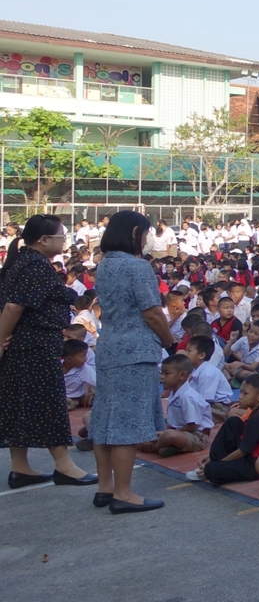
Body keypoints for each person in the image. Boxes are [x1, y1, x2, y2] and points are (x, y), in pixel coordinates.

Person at [0, 215, 96, 491]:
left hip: (26, 344)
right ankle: (64, 465)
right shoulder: (34, 264)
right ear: (43, 240)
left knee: (17, 404)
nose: (64, 242)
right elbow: (13, 308)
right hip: (34, 345)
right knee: (50, 403)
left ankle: (20, 467)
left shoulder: (22, 261)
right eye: (60, 237)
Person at [91, 210, 176, 513]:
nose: (146, 239)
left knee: (104, 420)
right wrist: (169, 341)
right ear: (133, 234)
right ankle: (123, 493)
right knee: (125, 424)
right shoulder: (137, 267)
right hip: (135, 350)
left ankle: (105, 488)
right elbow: (152, 312)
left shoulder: (104, 265)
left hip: (109, 347)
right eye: (144, 233)